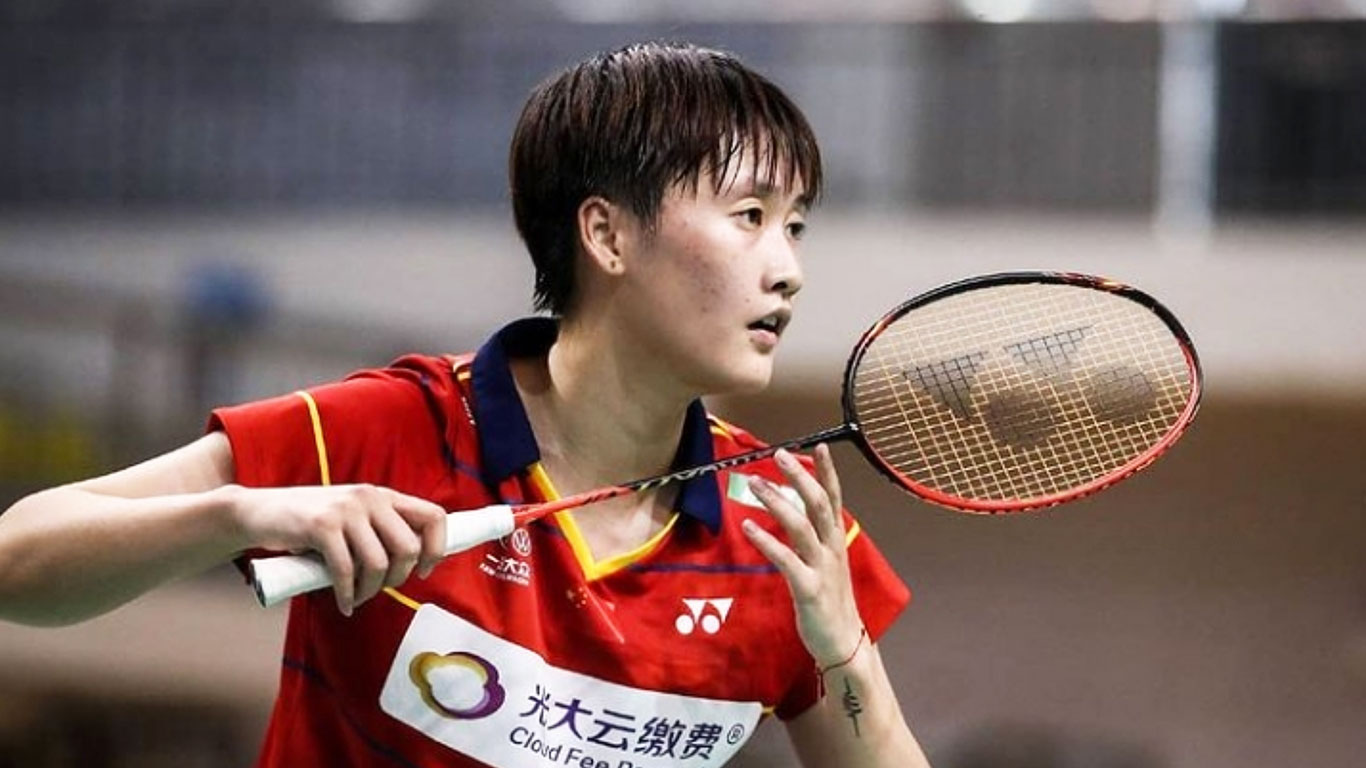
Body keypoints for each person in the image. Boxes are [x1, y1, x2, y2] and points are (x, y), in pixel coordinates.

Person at [0, 41, 931, 768]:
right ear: (607, 234)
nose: (788, 268)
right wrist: (249, 512)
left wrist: (841, 653)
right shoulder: (388, 429)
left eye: (796, 225)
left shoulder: (781, 529)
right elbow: (18, 562)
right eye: (750, 216)